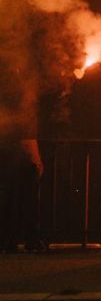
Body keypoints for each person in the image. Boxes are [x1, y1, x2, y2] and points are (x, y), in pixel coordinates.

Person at [0, 62, 45, 254]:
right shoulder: (23, 93)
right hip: (20, 149)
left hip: (9, 148)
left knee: (9, 198)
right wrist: (34, 155)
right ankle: (29, 239)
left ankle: (8, 241)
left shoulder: (10, 90)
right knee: (27, 199)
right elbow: (25, 124)